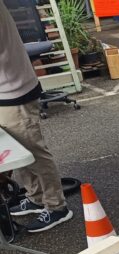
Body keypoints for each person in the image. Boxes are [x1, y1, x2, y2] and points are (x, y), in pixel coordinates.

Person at [0, 1, 73, 232]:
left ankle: (57, 207)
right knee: (18, 151)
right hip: (7, 87)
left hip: (13, 90)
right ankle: (36, 197)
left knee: (33, 152)